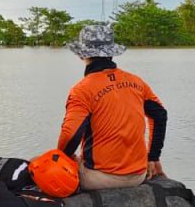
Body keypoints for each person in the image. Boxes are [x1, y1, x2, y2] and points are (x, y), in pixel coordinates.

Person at [59, 23, 167, 191]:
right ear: (111, 54)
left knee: (40, 162)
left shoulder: (82, 90)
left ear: (82, 55)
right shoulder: (136, 81)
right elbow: (160, 115)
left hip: (99, 179)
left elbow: (70, 136)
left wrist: (61, 159)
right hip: (138, 175)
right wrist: (153, 157)